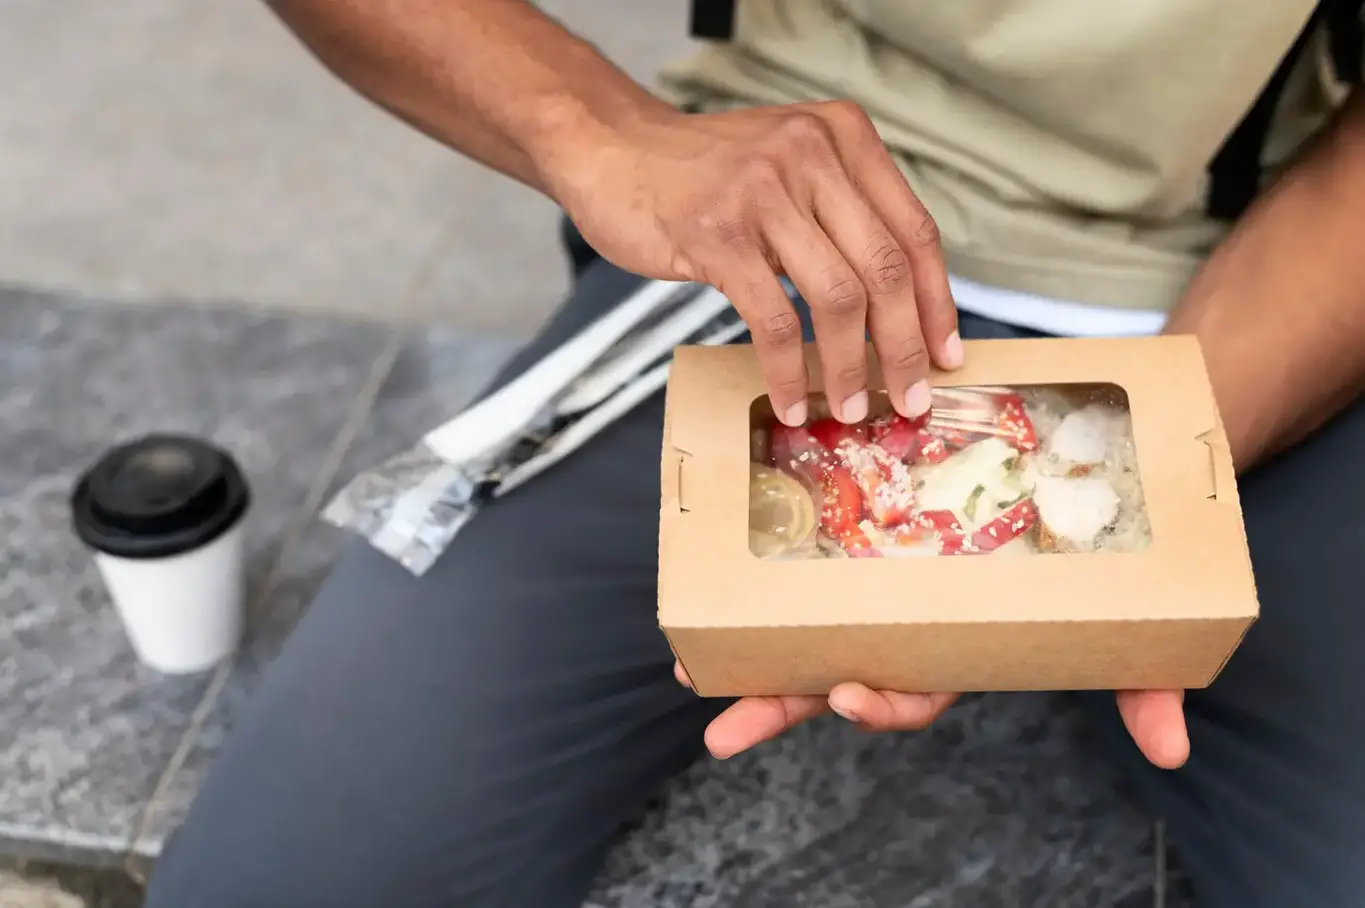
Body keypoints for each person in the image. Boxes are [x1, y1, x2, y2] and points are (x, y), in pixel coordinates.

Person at [144, 2, 1365, 905]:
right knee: (285, 871)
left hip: (1242, 278)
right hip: (770, 240)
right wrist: (601, 129)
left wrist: (1145, 475)